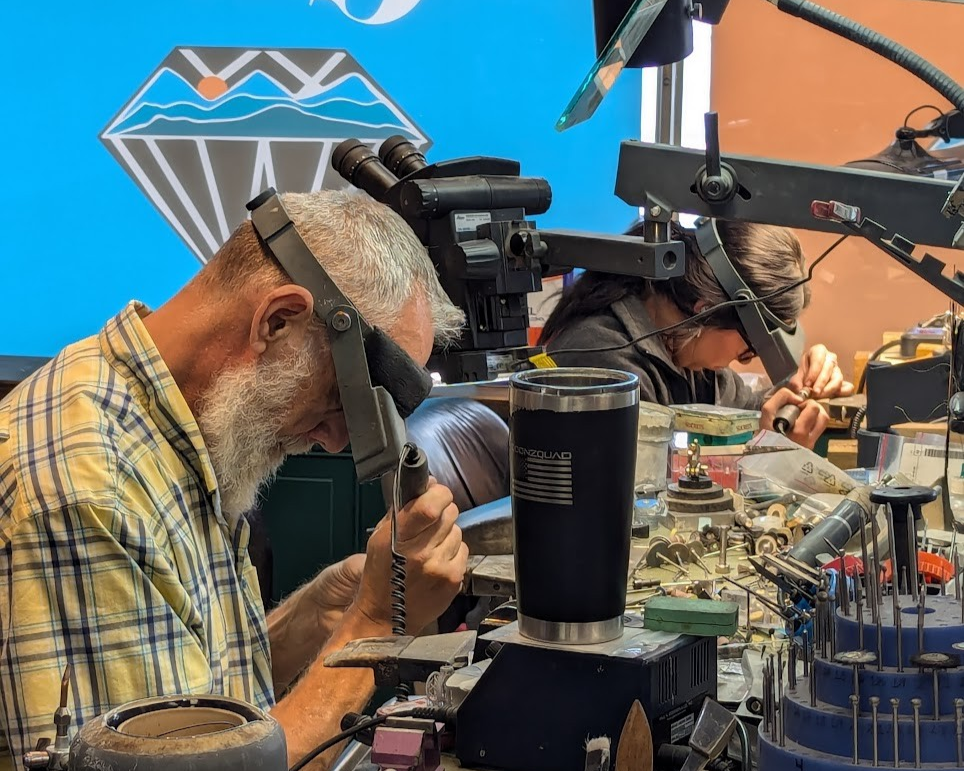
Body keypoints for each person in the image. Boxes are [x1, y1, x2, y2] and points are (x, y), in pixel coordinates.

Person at [0, 190, 469, 770]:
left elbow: (194, 704)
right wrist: (374, 620)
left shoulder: (172, 428)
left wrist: (316, 617)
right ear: (277, 320)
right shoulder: (86, 491)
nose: (335, 441)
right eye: (340, 400)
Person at [539, 219, 853, 449]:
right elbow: (648, 491)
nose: (741, 361)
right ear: (706, 311)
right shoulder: (606, 365)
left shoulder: (688, 349)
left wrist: (799, 391)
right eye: (750, 348)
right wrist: (769, 454)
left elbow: (750, 410)